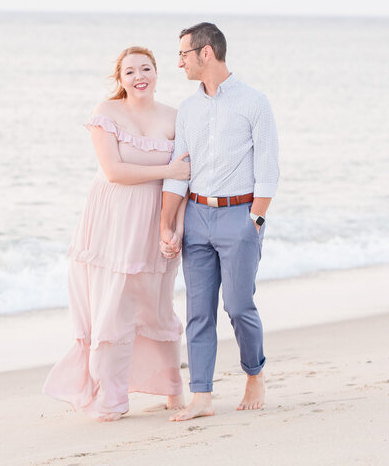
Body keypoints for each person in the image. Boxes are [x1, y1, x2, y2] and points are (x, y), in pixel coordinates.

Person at [43, 46, 191, 421]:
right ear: (120, 79)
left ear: (157, 73)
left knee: (157, 307)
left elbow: (187, 178)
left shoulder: (177, 118)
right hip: (110, 222)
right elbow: (113, 171)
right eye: (130, 72)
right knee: (112, 308)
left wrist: (176, 228)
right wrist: (166, 172)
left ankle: (173, 390)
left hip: (154, 222)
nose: (139, 76)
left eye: (146, 68)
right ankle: (111, 399)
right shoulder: (105, 114)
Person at [159, 22, 279, 421]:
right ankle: (202, 396)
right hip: (196, 216)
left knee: (239, 305)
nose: (179, 63)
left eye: (183, 54)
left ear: (205, 53)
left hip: (238, 216)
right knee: (198, 311)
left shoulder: (254, 103)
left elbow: (268, 171)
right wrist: (168, 224)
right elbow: (179, 172)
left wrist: (254, 221)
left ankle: (254, 373)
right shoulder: (189, 109)